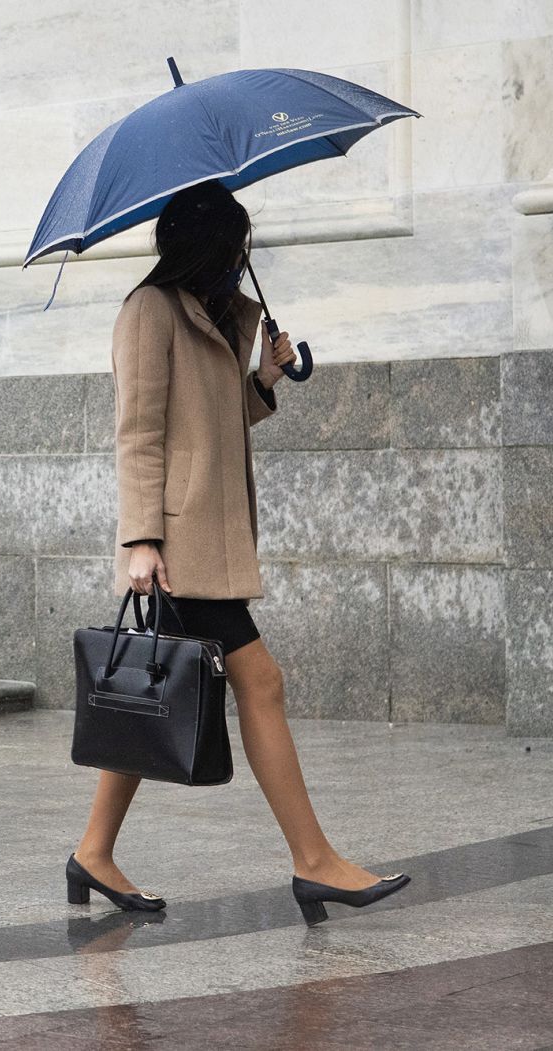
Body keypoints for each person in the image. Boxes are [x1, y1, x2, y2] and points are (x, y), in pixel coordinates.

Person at [67, 181, 409, 925]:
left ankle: (93, 850)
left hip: (205, 540)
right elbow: (139, 431)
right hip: (179, 544)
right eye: (236, 244)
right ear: (209, 243)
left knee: (149, 694)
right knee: (262, 680)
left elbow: (217, 421)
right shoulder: (147, 312)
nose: (241, 259)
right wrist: (141, 540)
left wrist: (261, 376)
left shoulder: (205, 316)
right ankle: (314, 862)